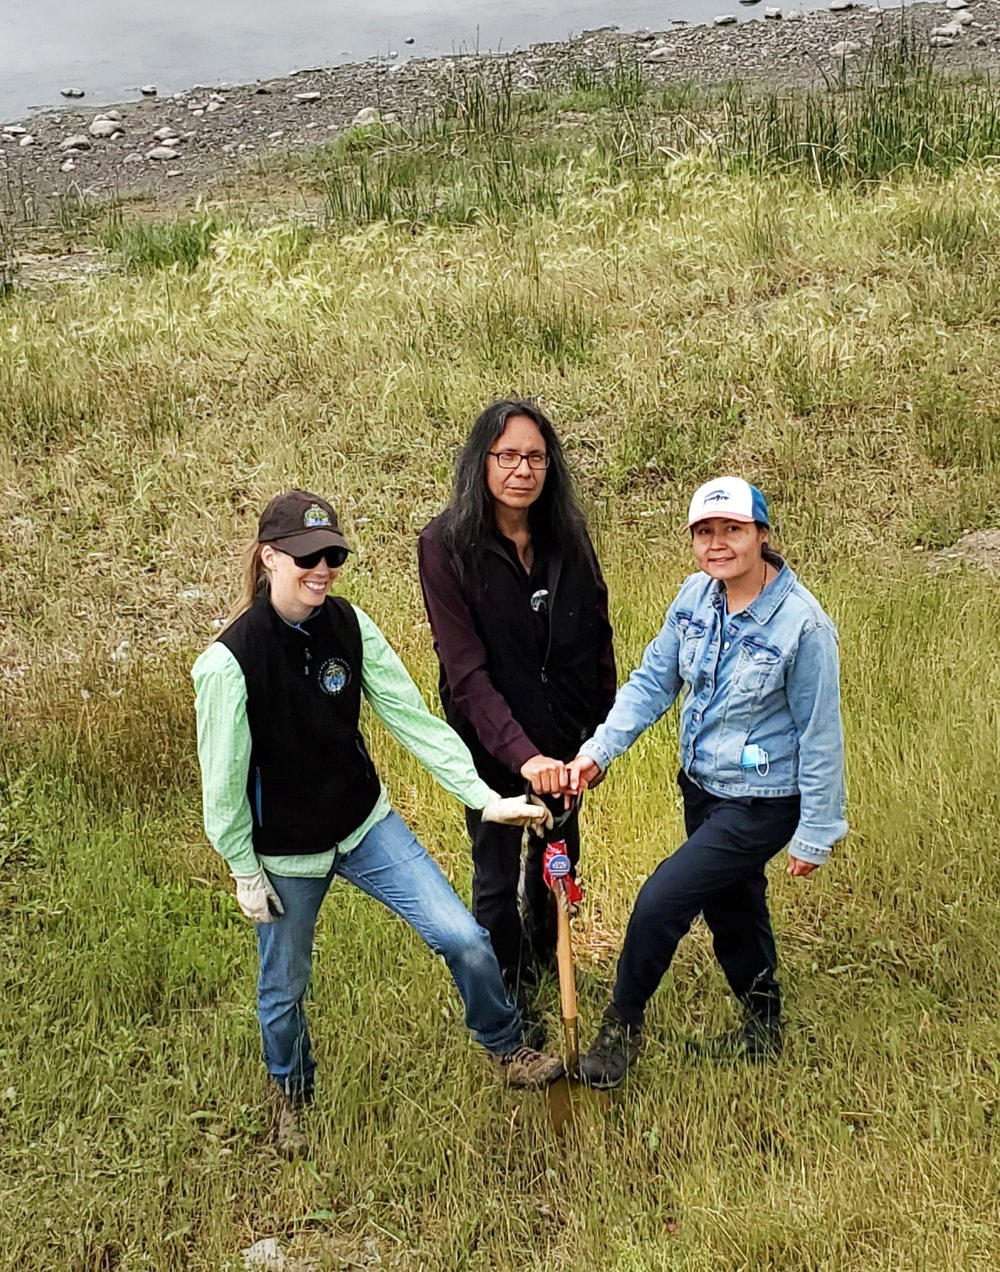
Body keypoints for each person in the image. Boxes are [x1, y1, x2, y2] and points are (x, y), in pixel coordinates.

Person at [192, 489, 565, 1156]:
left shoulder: (350, 625)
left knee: (463, 937)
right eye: (307, 557)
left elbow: (415, 721)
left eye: (331, 554)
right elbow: (222, 784)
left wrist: (483, 798)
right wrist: (244, 868)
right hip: (284, 854)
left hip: (365, 825)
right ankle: (293, 1098)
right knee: (284, 989)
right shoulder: (228, 664)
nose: (323, 568)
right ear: (270, 557)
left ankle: (506, 1047)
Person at [565, 476, 847, 1088]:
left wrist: (817, 832)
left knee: (662, 899)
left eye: (733, 530)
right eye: (705, 532)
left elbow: (821, 732)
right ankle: (764, 1023)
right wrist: (599, 750)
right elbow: (652, 682)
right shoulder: (696, 598)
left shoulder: (802, 626)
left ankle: (622, 1026)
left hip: (764, 800)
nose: (718, 543)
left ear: (762, 535)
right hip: (703, 785)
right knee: (732, 905)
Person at [418, 400, 616, 1036]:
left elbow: (597, 637)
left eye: (535, 456)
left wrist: (599, 741)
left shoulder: (568, 535)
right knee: (497, 870)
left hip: (565, 740)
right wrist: (520, 756)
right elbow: (465, 672)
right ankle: (504, 993)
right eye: (507, 456)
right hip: (491, 742)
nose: (522, 470)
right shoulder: (446, 545)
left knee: (557, 856)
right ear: (481, 463)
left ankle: (544, 961)